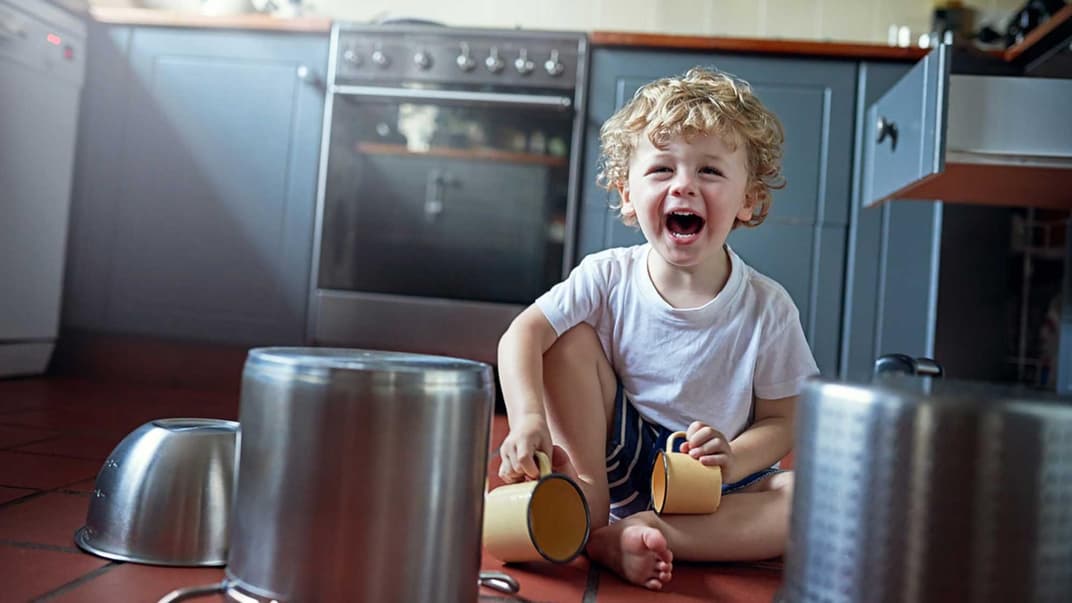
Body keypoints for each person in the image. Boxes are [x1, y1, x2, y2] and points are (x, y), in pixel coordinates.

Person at [495, 67, 820, 591]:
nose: (684, 185)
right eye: (662, 169)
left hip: (718, 483)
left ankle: (634, 533)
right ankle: (589, 506)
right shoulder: (606, 275)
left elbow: (785, 421)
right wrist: (527, 419)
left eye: (710, 171)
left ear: (749, 201)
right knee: (566, 336)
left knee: (813, 501)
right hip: (620, 459)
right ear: (627, 194)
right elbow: (522, 335)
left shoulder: (768, 307)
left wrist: (733, 457)